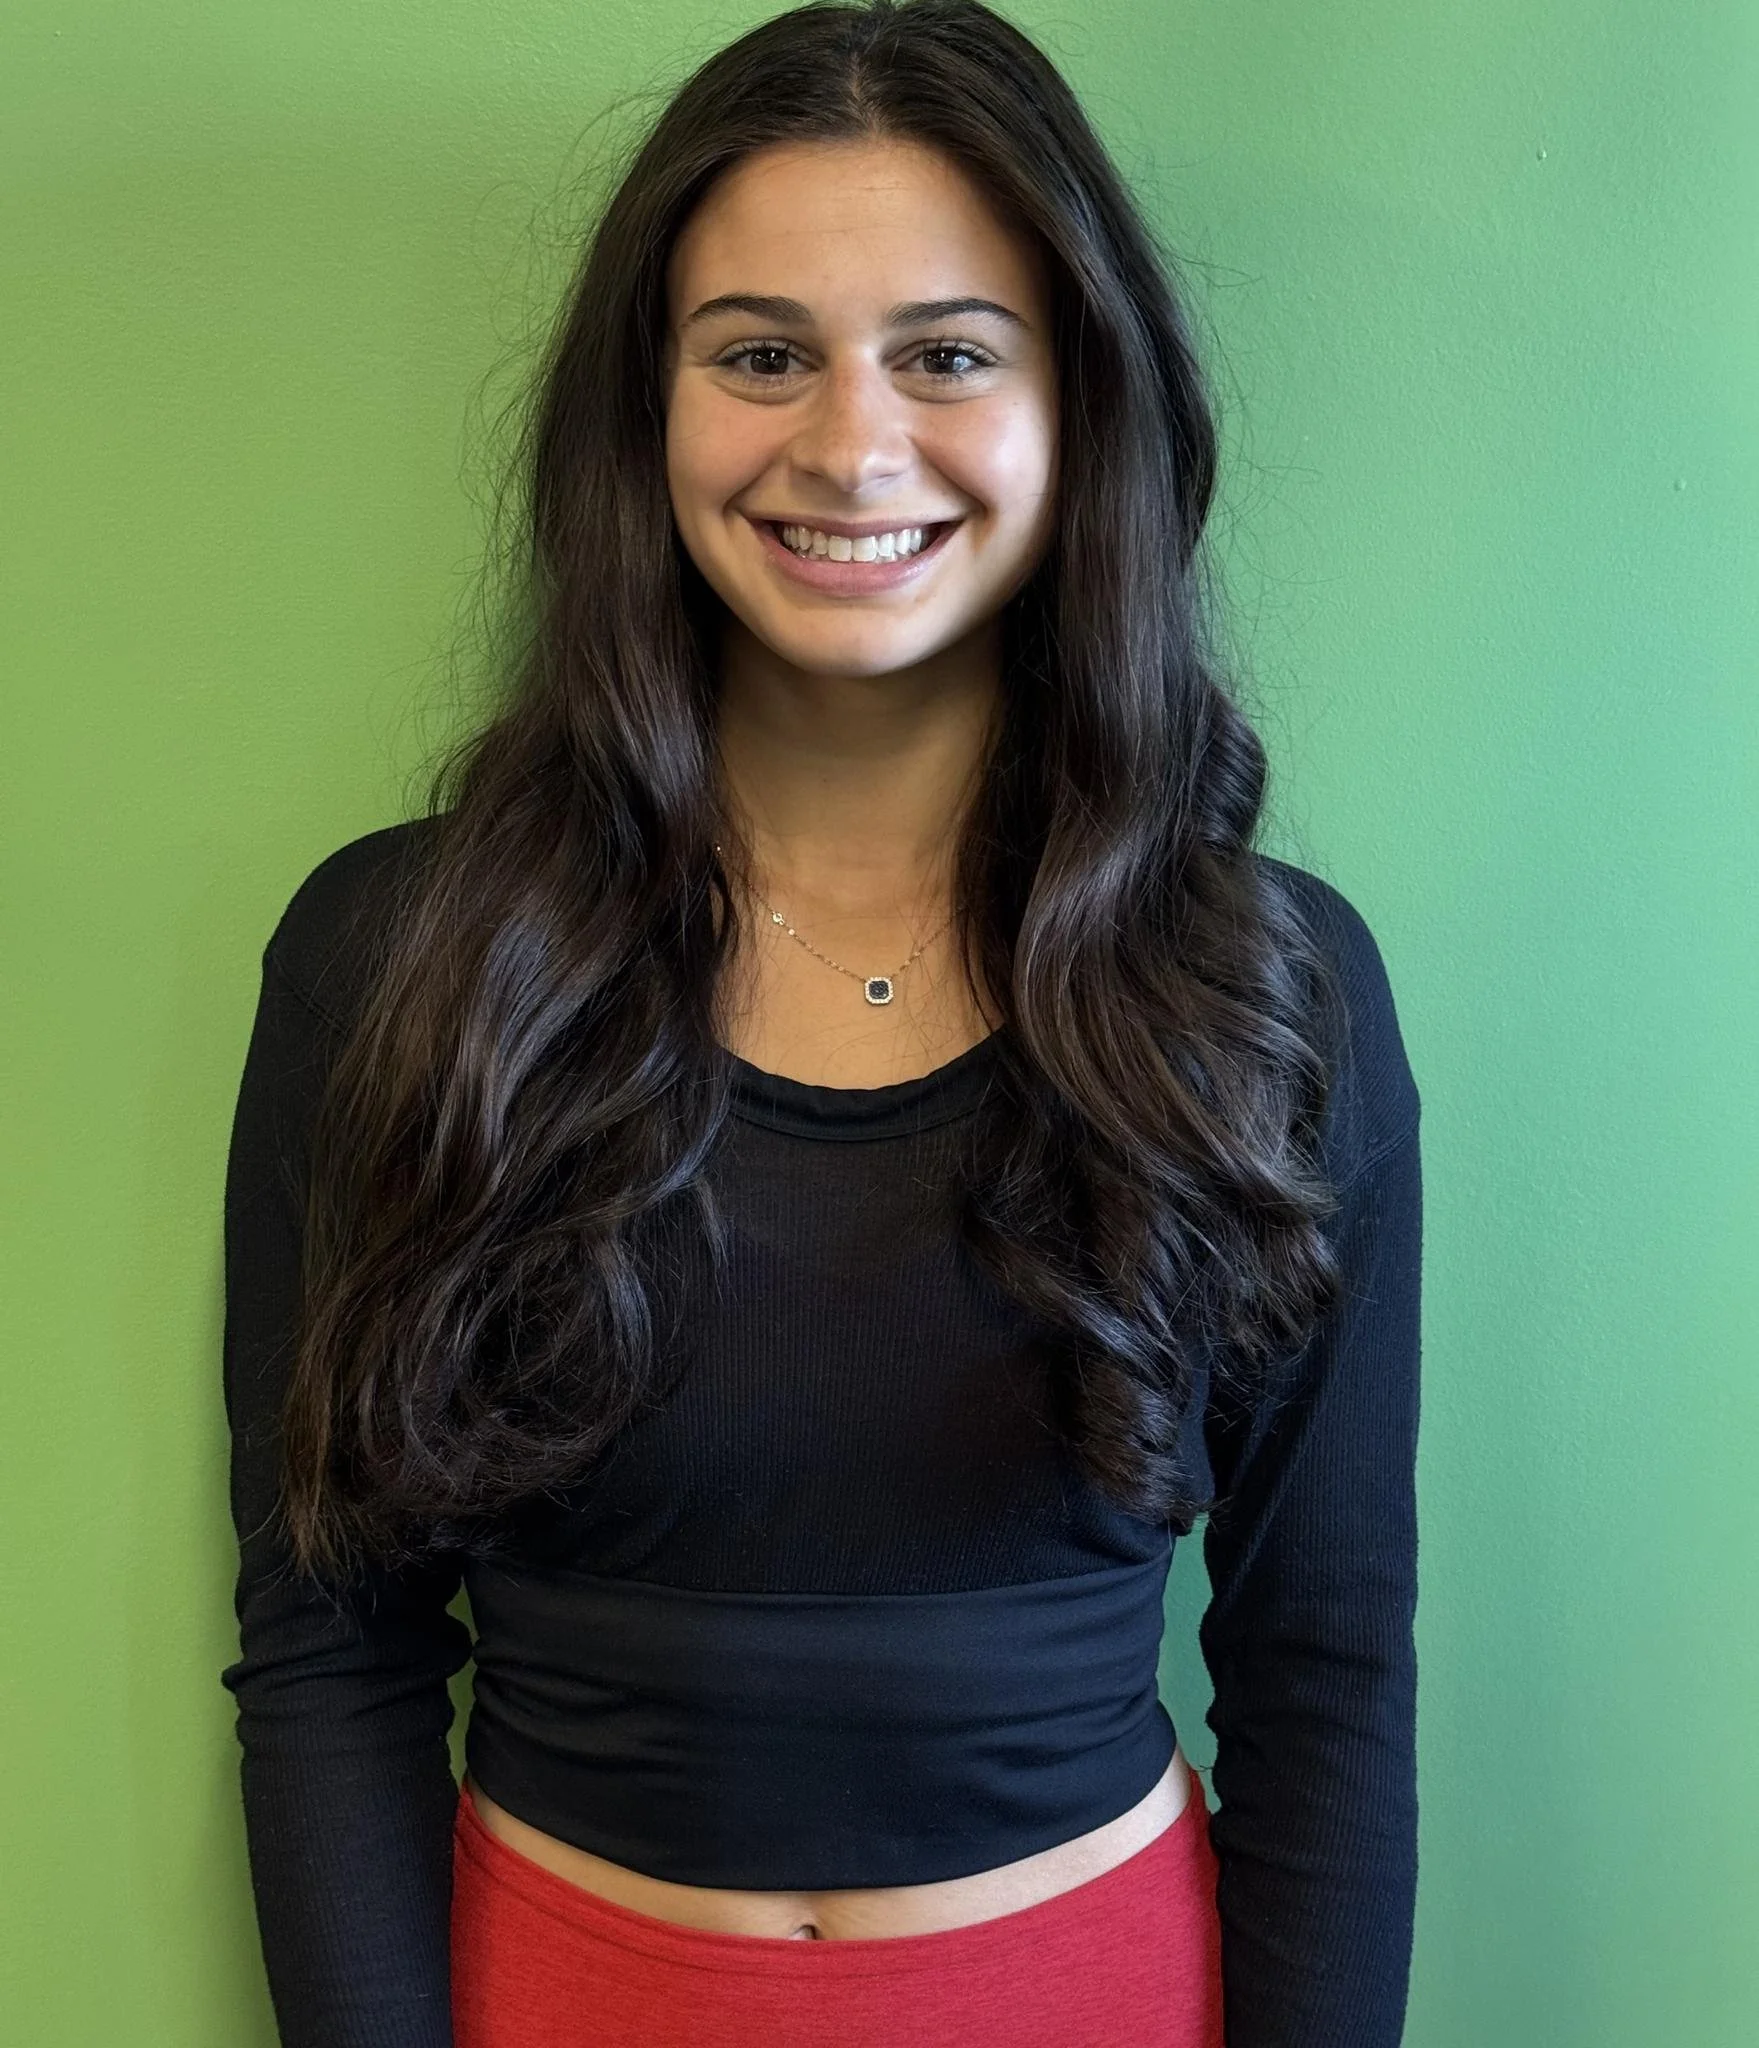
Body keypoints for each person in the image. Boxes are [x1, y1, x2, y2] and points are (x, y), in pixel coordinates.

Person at [219, 3, 1423, 2044]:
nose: (851, 447)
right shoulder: (401, 954)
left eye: (948, 354)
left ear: (1081, 406)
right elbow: (330, 1645)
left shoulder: (1269, 991)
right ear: (645, 410)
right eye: (759, 354)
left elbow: (1324, 1672)